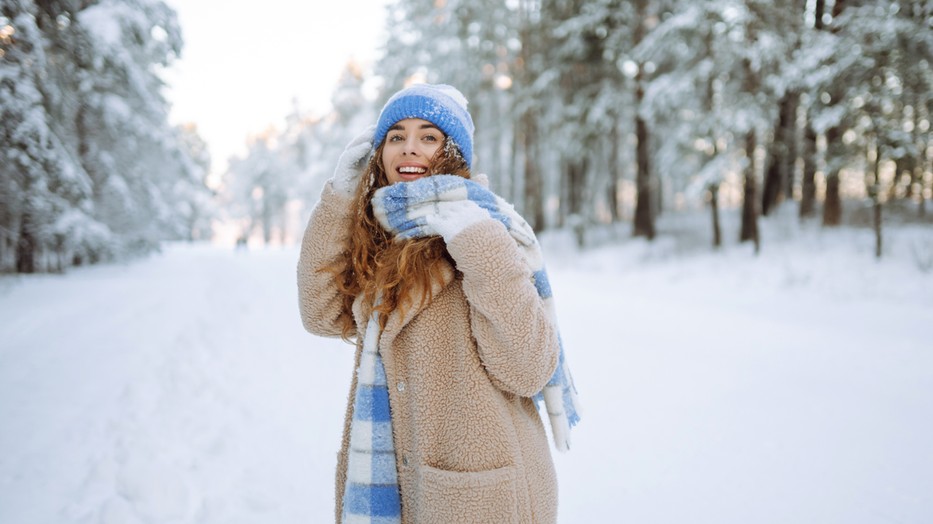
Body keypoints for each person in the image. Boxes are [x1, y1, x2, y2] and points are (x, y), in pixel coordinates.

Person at [297, 84, 579, 524]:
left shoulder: (486, 230)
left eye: (428, 137)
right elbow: (319, 314)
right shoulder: (379, 240)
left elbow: (529, 368)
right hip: (402, 488)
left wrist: (478, 243)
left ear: (454, 154)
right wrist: (340, 198)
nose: (410, 148)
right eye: (396, 136)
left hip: (480, 496)